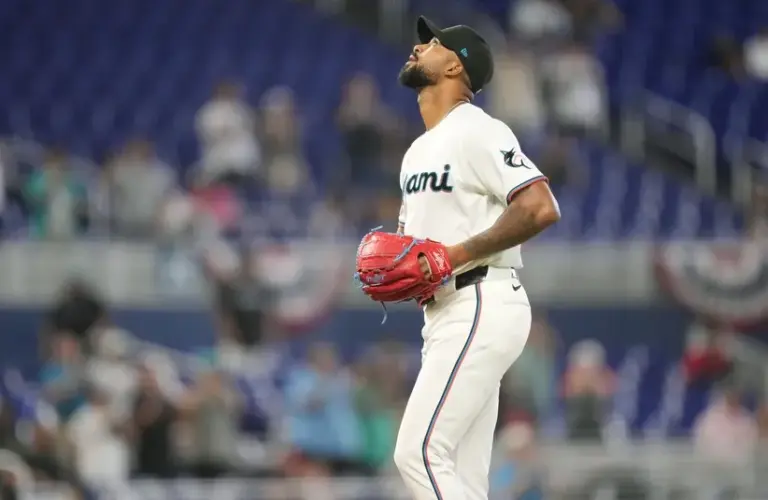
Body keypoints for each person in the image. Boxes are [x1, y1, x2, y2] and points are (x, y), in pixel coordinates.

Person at [391, 17, 560, 500]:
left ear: (455, 67)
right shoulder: (417, 151)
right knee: (462, 479)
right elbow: (420, 252)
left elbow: (540, 206)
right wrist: (403, 269)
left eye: (433, 43)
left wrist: (454, 254)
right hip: (444, 314)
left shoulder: (479, 129)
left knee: (418, 453)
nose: (418, 46)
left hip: (481, 300)